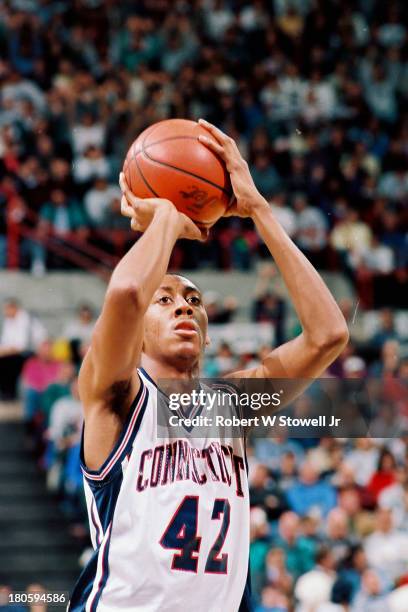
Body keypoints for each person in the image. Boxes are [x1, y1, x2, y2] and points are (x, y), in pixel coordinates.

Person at [68, 120, 348, 611]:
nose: (183, 307)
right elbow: (129, 292)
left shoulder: (231, 407)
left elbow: (328, 335)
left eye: (193, 300)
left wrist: (259, 209)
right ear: (136, 333)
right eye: (168, 299)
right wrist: (167, 221)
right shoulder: (114, 396)